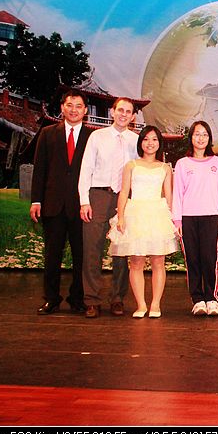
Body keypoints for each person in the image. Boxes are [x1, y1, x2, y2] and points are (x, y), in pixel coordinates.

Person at [30, 89, 93, 315]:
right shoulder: (47, 134)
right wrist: (36, 200)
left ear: (85, 111)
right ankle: (51, 299)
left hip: (81, 206)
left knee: (81, 256)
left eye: (78, 106)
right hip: (53, 204)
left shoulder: (92, 137)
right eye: (69, 105)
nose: (74, 110)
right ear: (62, 108)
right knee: (52, 255)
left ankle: (78, 298)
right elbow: (39, 170)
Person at [107, 125, 179, 318]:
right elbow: (124, 192)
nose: (150, 143)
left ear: (159, 143)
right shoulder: (131, 165)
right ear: (140, 143)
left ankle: (155, 304)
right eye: (146, 139)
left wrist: (173, 219)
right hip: (135, 213)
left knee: (158, 261)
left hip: (157, 214)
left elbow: (169, 195)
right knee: (136, 262)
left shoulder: (165, 168)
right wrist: (121, 217)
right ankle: (141, 305)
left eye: (154, 139)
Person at [78, 97, 139, 318]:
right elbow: (86, 169)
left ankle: (117, 298)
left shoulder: (137, 141)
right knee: (92, 249)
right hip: (98, 195)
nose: (123, 114)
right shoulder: (97, 137)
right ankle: (91, 300)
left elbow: (140, 172)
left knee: (120, 251)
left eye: (128, 112)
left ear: (133, 116)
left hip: (124, 198)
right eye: (120, 110)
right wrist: (84, 201)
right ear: (113, 112)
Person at [172, 121, 218, 317]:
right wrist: (177, 221)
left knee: (209, 258)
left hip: (211, 217)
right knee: (193, 260)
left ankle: (212, 299)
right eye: (197, 134)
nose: (201, 138)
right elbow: (177, 194)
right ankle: (197, 300)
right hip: (188, 218)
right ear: (191, 138)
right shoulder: (182, 164)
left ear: (209, 138)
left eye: (205, 134)